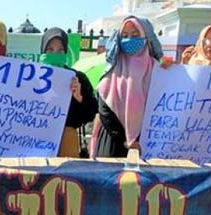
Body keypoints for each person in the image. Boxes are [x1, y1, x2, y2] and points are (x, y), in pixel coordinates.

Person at [90, 16, 172, 157]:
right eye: (125, 36)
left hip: (148, 145)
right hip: (113, 144)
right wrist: (126, 141)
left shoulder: (159, 71)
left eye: (135, 35)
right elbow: (104, 110)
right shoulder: (113, 70)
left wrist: (176, 69)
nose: (129, 40)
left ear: (146, 38)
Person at [40, 27, 97, 157]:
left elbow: (92, 113)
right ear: (43, 50)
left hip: (67, 144)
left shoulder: (77, 78)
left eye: (60, 50)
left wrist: (80, 98)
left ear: (66, 52)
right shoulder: (31, 77)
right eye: (50, 49)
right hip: (36, 141)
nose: (55, 54)